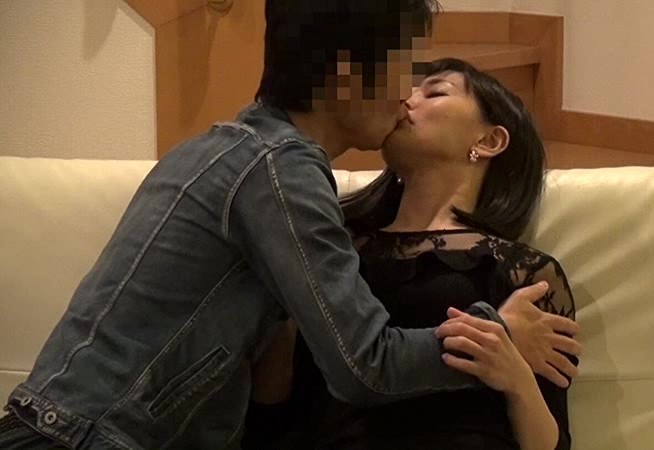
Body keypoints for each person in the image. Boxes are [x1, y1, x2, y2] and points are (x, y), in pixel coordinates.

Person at [0, 2, 580, 449]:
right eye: (405, 69)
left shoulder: (243, 155)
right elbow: (364, 366)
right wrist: (498, 338)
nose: (405, 96)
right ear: (348, 75)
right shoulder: (280, 173)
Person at [244, 59, 580, 450]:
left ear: (489, 141)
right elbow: (274, 413)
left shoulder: (525, 272)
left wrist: (515, 378)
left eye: (434, 92)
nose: (405, 98)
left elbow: (553, 445)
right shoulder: (331, 247)